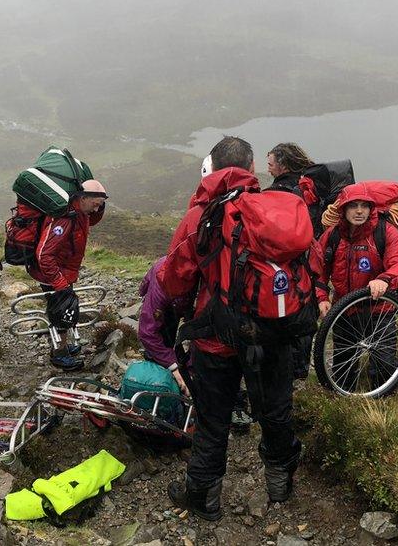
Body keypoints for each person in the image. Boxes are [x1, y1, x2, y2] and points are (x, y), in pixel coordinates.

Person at [160, 136, 304, 521]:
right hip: (270, 333)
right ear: (252, 166)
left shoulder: (199, 216)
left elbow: (174, 281)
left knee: (213, 418)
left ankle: (204, 498)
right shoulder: (277, 211)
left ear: (212, 166)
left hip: (214, 338)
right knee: (275, 411)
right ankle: (280, 484)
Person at [315, 183, 398, 389]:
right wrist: (322, 297)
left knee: (384, 366)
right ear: (343, 209)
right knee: (342, 370)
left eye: (364, 206)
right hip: (344, 312)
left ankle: (382, 403)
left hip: (379, 312)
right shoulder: (332, 236)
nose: (359, 211)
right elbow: (318, 270)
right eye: (353, 206)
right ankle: (342, 403)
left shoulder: (386, 232)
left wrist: (384, 279)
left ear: (372, 208)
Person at [28, 179, 108, 371]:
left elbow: (93, 218)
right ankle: (59, 355)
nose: (97, 210)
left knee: (62, 310)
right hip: (52, 274)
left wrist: (99, 207)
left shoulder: (81, 212)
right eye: (95, 204)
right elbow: (44, 254)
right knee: (62, 312)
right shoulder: (65, 218)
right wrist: (60, 283)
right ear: (83, 197)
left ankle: (62, 347)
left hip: (62, 272)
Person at [265, 143, 323, 380]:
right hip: (312, 262)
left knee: (288, 311)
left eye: (270, 163)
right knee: (305, 314)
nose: (267, 167)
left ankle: (289, 372)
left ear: (282, 164)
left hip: (291, 263)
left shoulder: (281, 192)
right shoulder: (308, 186)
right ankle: (299, 370)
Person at [137, 256, 195, 394]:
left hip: (194, 295)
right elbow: (147, 333)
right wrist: (174, 367)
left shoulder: (210, 281)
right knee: (163, 334)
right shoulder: (161, 283)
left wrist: (192, 370)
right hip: (166, 293)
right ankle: (160, 382)